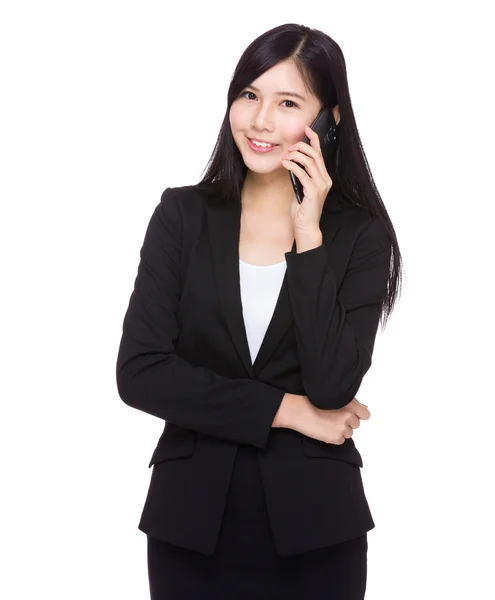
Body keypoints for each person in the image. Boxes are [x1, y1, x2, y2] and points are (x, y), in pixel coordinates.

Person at [116, 22, 402, 600]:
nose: (260, 120)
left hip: (317, 529)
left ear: (330, 119)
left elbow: (332, 384)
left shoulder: (360, 235)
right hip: (190, 524)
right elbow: (141, 373)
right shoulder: (182, 216)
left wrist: (308, 235)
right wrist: (285, 410)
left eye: (288, 102)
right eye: (249, 95)